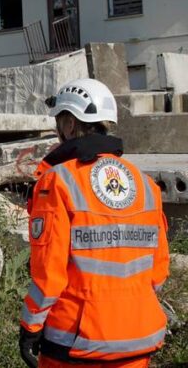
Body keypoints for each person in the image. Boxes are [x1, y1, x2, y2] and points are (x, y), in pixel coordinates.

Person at [18, 79, 169, 368]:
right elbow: (158, 271)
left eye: (59, 123)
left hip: (76, 343)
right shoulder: (145, 184)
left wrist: (30, 327)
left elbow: (49, 274)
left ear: (71, 125)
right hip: (138, 337)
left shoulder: (59, 181)